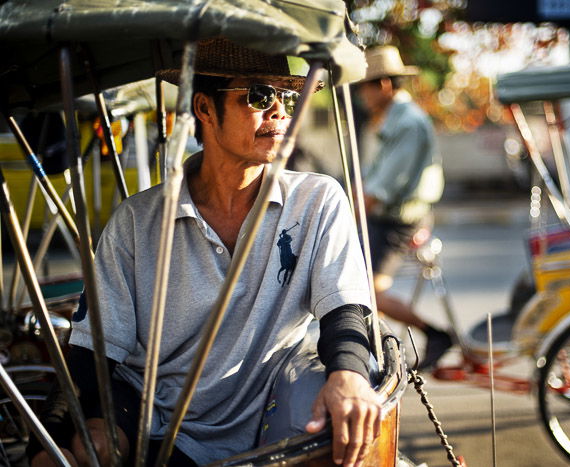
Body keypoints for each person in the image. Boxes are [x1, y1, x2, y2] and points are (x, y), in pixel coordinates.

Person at [29, 38, 380, 467]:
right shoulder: (137, 221)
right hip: (147, 413)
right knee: (84, 451)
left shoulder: (316, 200)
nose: (279, 112)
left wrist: (348, 375)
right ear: (205, 109)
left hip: (265, 410)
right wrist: (80, 427)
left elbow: (344, 308)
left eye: (287, 98)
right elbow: (94, 353)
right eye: (260, 96)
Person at [356, 46, 452, 370]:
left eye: (364, 87)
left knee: (365, 293)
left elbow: (381, 188)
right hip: (389, 217)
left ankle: (434, 334)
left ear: (383, 85)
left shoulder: (407, 123)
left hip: (399, 221)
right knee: (359, 289)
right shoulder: (393, 119)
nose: (361, 95)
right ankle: (379, 349)